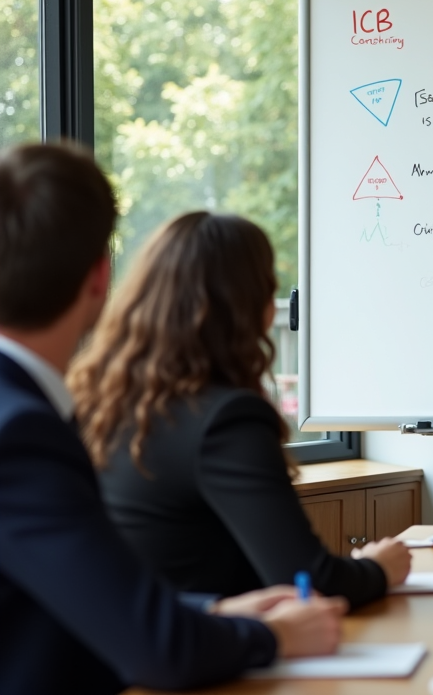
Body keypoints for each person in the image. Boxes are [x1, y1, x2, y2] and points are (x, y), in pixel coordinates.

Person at [0, 143, 344, 695]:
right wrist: (270, 634)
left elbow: (81, 596)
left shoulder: (44, 409)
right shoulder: (20, 433)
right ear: (97, 276)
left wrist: (217, 610)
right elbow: (157, 651)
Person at [69, 211, 411, 609]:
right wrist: (379, 566)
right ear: (256, 307)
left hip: (139, 648)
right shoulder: (226, 419)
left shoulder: (103, 400)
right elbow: (310, 581)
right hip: (218, 655)